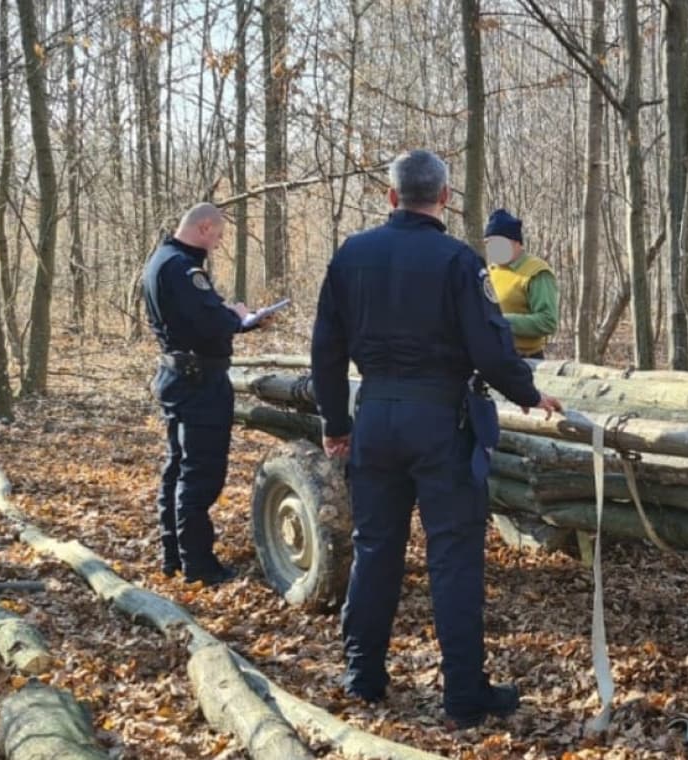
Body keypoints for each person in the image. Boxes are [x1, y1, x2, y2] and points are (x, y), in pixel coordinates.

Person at [310, 149, 563, 728]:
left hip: (374, 417)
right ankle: (463, 692)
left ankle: (363, 674)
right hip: (441, 423)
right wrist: (529, 395)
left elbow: (325, 349)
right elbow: (491, 346)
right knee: (453, 558)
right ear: (444, 198)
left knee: (375, 548)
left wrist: (335, 423)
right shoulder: (458, 261)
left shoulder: (352, 255)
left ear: (391, 196)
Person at [141, 202, 268, 586]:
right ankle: (198, 565)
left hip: (180, 376)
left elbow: (192, 318)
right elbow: (209, 322)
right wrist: (239, 318)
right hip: (198, 383)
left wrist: (231, 317)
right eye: (217, 236)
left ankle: (174, 556)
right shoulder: (182, 267)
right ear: (204, 227)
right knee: (200, 474)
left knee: (177, 469)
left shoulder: (162, 260)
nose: (217, 244)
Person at [483, 208, 558, 359]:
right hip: (493, 356)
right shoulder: (489, 271)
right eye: (488, 243)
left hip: (525, 359)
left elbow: (548, 321)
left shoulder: (536, 272)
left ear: (516, 242)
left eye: (498, 243)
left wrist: (503, 321)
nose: (492, 248)